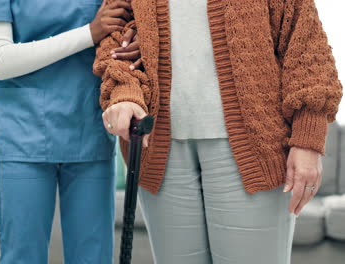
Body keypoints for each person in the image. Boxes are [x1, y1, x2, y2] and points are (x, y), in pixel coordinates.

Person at [94, 0, 343, 263]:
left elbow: (305, 41)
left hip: (254, 148)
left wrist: (307, 139)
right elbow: (115, 35)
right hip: (159, 150)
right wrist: (124, 94)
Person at [0, 0, 133, 263]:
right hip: (23, 130)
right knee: (23, 254)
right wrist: (89, 32)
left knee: (93, 255)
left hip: (87, 126)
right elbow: (1, 60)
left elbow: (123, 32)